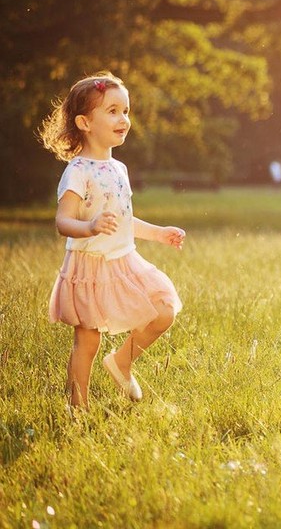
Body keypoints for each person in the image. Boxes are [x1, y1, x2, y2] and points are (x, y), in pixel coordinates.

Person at [39, 72, 185, 409]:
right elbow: (63, 220)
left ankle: (121, 362)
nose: (124, 119)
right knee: (87, 340)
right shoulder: (79, 170)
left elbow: (123, 220)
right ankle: (78, 409)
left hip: (124, 261)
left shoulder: (118, 168)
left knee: (164, 310)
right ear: (84, 122)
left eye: (126, 111)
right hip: (89, 266)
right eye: (113, 111)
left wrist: (158, 233)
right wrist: (89, 226)